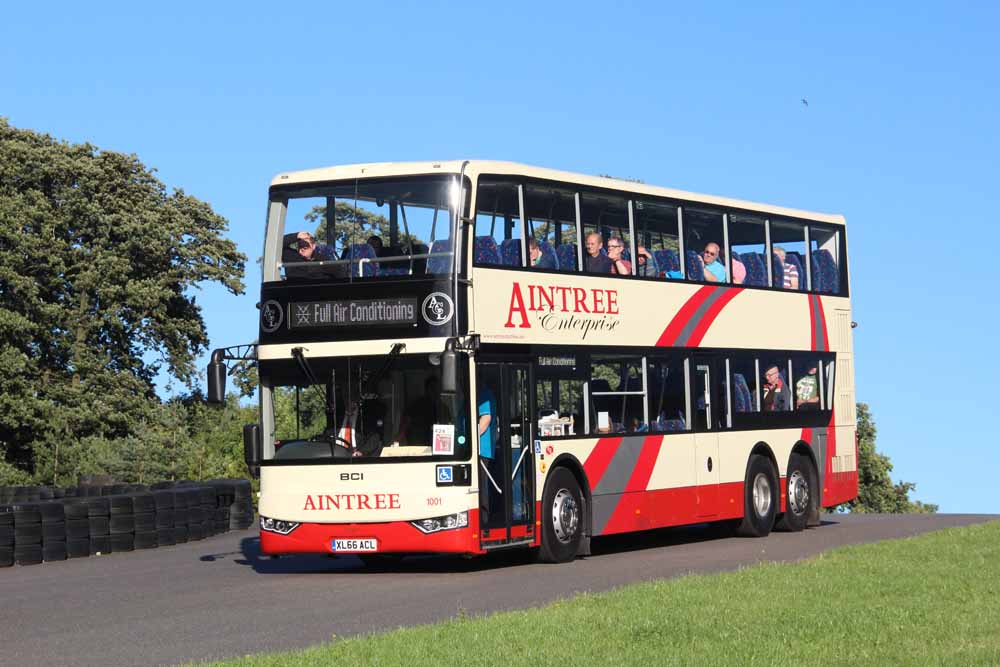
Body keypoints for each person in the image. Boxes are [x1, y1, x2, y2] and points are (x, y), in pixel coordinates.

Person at [396, 376, 450, 445]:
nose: (436, 391)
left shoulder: (443, 408)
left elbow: (448, 427)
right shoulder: (417, 405)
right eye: (433, 388)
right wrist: (398, 438)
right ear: (427, 390)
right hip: (418, 447)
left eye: (438, 389)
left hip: (438, 446)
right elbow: (406, 422)